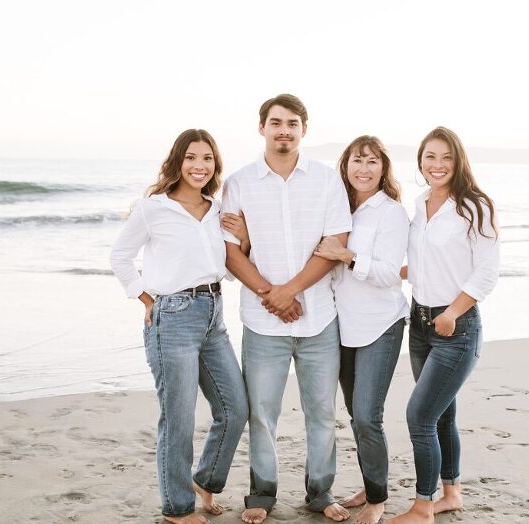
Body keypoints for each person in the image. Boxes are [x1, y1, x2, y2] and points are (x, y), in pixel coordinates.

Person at [220, 94, 353, 523]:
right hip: (261, 323)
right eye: (275, 122)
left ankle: (320, 492)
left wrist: (289, 291)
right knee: (262, 414)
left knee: (322, 413)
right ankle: (261, 494)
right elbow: (229, 250)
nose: (284, 130)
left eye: (292, 123)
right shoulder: (239, 183)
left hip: (320, 319)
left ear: (304, 129)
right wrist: (270, 294)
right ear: (261, 128)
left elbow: (336, 246)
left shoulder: (327, 180)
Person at [109, 129, 249, 524]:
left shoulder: (217, 210)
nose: (199, 166)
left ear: (215, 166)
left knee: (234, 408)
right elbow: (120, 256)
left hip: (214, 313)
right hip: (171, 319)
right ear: (177, 162)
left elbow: (230, 267)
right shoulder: (152, 208)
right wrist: (146, 298)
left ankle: (204, 482)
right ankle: (177, 508)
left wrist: (244, 237)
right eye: (191, 158)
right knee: (179, 419)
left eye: (207, 159)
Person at [388, 127, 500, 523]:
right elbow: (427, 260)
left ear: (458, 161)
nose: (437, 165)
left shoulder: (474, 206)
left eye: (445, 157)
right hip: (419, 322)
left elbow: (487, 271)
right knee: (443, 413)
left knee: (420, 417)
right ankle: (450, 493)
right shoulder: (419, 204)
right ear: (420, 161)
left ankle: (423, 505)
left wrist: (453, 311)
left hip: (457, 325)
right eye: (430, 157)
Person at [313, 135, 410, 524]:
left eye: (372, 162)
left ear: (383, 168)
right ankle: (371, 484)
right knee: (357, 416)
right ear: (346, 165)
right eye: (357, 160)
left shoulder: (391, 213)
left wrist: (347, 256)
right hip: (340, 326)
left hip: (380, 325)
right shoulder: (337, 209)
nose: (364, 169)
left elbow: (389, 274)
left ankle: (378, 500)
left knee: (368, 416)